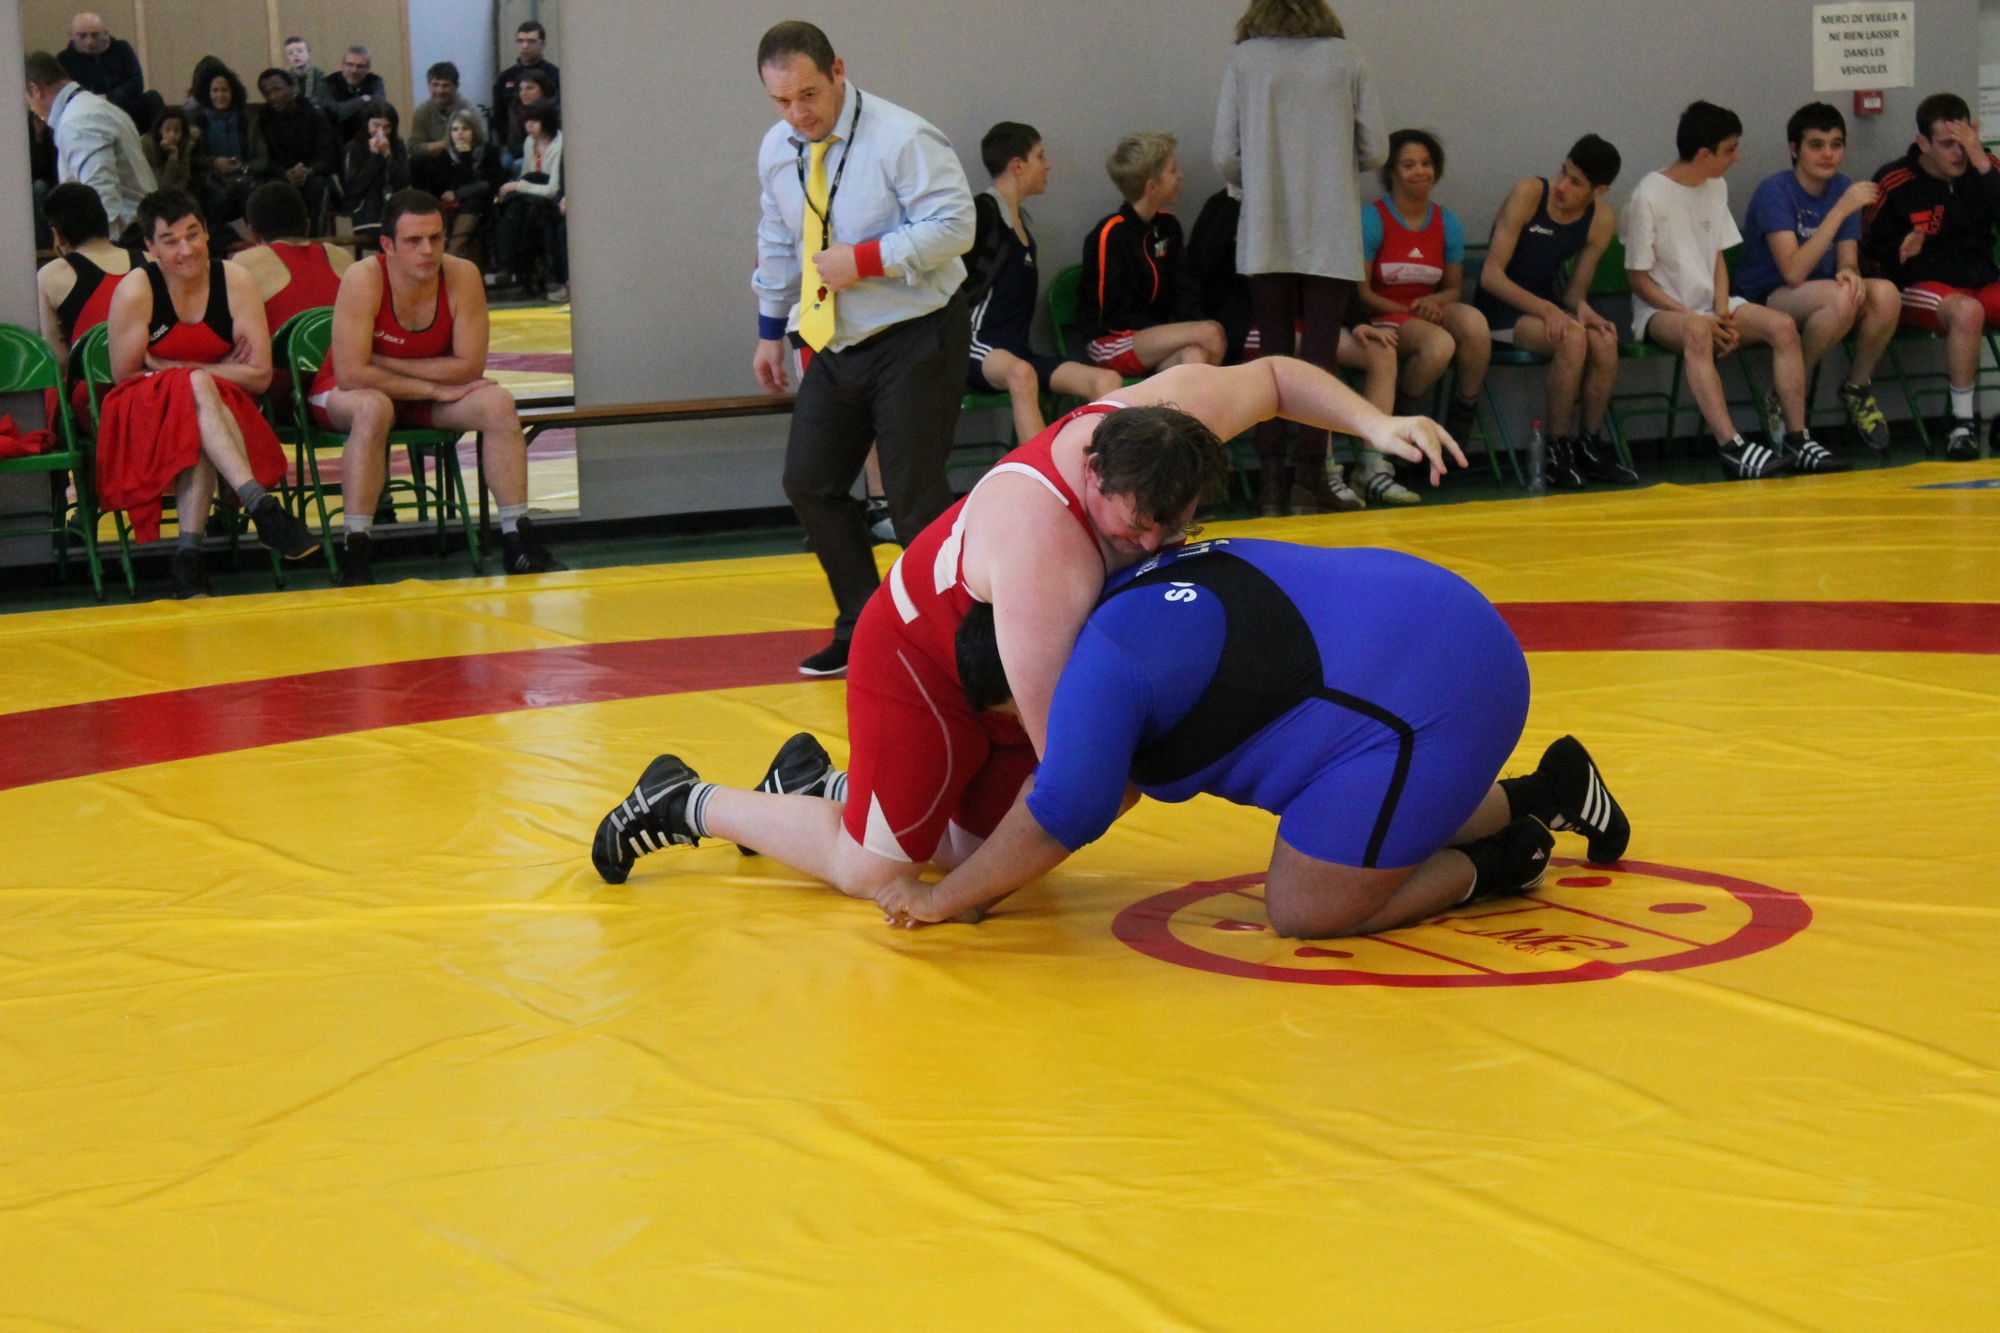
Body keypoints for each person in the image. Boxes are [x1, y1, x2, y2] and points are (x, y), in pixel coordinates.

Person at [590, 356, 1465, 898]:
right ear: (1094, 473)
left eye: (1176, 529)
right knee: (878, 869)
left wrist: (1374, 421)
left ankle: (826, 786)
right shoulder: (1043, 554)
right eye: (1135, 530)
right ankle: (685, 798)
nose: (1153, 548)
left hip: (1007, 673)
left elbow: (1272, 379)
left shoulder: (1168, 424)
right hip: (923, 664)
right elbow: (1078, 781)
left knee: (971, 846)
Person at [873, 540, 1631, 936]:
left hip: (1435, 694)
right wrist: (982, 888)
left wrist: (941, 899)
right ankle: (1547, 790)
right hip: (1433, 635)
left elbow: (1061, 809)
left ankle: (1505, 859)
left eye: (1020, 716)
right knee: (1350, 823)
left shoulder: (1103, 667)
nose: (1034, 733)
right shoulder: (1102, 591)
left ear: (1025, 671)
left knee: (1308, 908)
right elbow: (1094, 790)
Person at [749, 21, 976, 678]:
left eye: (809, 95)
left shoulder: (902, 137)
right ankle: (864, 626)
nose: (798, 114)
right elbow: (777, 236)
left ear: (838, 71)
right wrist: (769, 328)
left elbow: (957, 225)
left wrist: (867, 258)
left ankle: (957, 641)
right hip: (835, 338)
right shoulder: (778, 148)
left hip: (917, 333)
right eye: (782, 100)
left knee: (913, 499)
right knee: (809, 483)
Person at [306, 188, 565, 585]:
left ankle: (518, 539)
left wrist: (384, 363)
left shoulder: (462, 275)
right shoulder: (364, 278)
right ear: (387, 245)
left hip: (416, 392)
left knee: (498, 403)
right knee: (373, 407)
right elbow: (351, 375)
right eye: (414, 240)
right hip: (350, 393)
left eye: (436, 238)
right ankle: (355, 549)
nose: (428, 250)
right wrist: (431, 389)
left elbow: (470, 365)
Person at [94, 189, 316, 598]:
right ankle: (261, 506)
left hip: (217, 408)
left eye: (193, 234)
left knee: (197, 402)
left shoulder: (234, 280)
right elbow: (125, 375)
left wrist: (174, 367)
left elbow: (260, 376)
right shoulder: (137, 289)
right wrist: (206, 373)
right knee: (195, 387)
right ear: (150, 248)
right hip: (144, 408)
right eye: (170, 241)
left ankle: (188, 560)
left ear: (207, 232)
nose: (186, 249)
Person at [1214, 0, 1386, 516]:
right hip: (1330, 226)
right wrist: (1334, 163)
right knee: (1319, 359)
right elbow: (1376, 150)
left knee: (1270, 356)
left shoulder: (1245, 60)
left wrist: (1262, 174)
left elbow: (1224, 155)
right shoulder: (1347, 57)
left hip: (1267, 226)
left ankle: (1270, 481)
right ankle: (1311, 476)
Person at [1624, 100, 1823, 480]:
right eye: (1731, 149)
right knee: (1698, 333)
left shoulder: (1716, 186)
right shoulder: (1647, 196)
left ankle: (1797, 438)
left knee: (1782, 326)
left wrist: (1721, 310)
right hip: (1662, 312)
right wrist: (1694, 317)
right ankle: (1731, 446)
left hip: (1709, 304)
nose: (1738, 156)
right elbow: (1638, 279)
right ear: (1704, 154)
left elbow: (1716, 255)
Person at [1735, 103, 1896, 465]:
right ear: (1795, 149)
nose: (1828, 154)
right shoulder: (1775, 191)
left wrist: (1850, 272)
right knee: (1840, 299)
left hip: (1822, 293)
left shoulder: (1842, 186)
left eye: (1836, 145)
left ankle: (1856, 387)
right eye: (1816, 145)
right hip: (1766, 296)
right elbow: (1793, 272)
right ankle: (1787, 391)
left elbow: (1847, 259)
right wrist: (1839, 210)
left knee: (1885, 294)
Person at [1475, 134, 1636, 486]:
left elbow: (1574, 294)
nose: (1562, 185)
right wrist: (1550, 311)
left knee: (1604, 341)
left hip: (1546, 307)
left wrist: (1585, 310)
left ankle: (1590, 445)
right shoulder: (1528, 193)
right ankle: (1555, 448)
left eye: (1576, 182)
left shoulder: (1600, 220)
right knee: (1572, 339)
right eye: (1563, 172)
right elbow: (1491, 276)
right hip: (1499, 307)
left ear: (1600, 190)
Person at [1350, 129, 1491, 504]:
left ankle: (1462, 416)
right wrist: (1409, 310)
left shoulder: (1447, 222)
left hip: (1428, 310)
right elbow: (1362, 293)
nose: (1420, 172)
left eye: (1426, 164)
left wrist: (1436, 300)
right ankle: (1402, 419)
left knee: (1474, 325)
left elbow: (1453, 288)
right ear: (1391, 173)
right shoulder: (1372, 220)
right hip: (1384, 314)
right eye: (1409, 165)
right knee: (1439, 345)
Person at [962, 122, 1122, 444]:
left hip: (1018, 354)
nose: (1048, 165)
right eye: (1040, 156)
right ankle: (1037, 474)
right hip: (976, 348)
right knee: (1021, 374)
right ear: (1017, 166)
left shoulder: (1021, 225)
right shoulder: (982, 213)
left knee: (1107, 381)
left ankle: (1102, 467)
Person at [1862, 93, 2000, 460]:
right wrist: (1900, 250)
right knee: (1967, 311)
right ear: (1923, 143)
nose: (1958, 153)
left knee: (1973, 305)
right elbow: (1865, 251)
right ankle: (1963, 424)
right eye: (1947, 144)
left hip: (1981, 278)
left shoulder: (1985, 169)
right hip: (1919, 285)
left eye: (1964, 142)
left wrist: (1982, 163)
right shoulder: (1895, 181)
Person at [1079, 133, 1227, 386]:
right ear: (1152, 187)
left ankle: (1184, 412)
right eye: (1173, 170)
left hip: (1154, 338)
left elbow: (1185, 291)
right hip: (1110, 341)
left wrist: (1182, 331)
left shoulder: (1168, 225)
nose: (1180, 175)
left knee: (1194, 356)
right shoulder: (1111, 233)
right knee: (1210, 332)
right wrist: (1173, 331)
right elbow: (1112, 315)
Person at [25, 50, 156, 239]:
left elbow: (101, 199)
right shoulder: (96, 108)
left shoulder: (78, 120)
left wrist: (99, 254)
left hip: (124, 240)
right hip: (138, 232)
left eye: (28, 99)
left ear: (35, 89)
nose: (31, 108)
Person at [35, 182, 136, 396]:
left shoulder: (51, 274)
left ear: (57, 234)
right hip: (149, 387)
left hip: (93, 395)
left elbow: (60, 362)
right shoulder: (150, 261)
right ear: (103, 219)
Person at [235, 181, 354, 332]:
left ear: (254, 233)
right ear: (307, 225)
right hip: (346, 346)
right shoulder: (342, 256)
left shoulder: (244, 262)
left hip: (279, 347)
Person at [492, 103, 565, 300]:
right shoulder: (529, 143)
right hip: (531, 197)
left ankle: (514, 266)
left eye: (534, 121)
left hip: (551, 199)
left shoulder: (560, 146)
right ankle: (516, 267)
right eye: (527, 121)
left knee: (524, 214)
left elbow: (553, 189)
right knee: (513, 209)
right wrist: (518, 187)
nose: (528, 126)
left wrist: (519, 186)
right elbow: (525, 175)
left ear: (546, 122)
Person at [248, 66, 337, 226]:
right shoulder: (263, 119)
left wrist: (307, 171)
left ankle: (312, 235)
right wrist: (285, 173)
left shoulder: (315, 114)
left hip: (311, 174)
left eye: (277, 89)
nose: (273, 97)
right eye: (267, 93)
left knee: (317, 186)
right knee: (267, 190)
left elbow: (326, 155)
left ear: (292, 87)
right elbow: (264, 158)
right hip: (279, 175)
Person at [412, 110, 501, 262]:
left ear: (474, 131)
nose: (460, 133)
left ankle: (452, 253)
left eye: (465, 128)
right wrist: (459, 192)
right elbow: (449, 187)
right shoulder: (444, 155)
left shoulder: (488, 151)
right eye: (455, 129)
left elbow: (491, 185)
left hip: (484, 204)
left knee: (474, 201)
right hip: (454, 205)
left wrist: (465, 157)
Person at [59, 12, 159, 131]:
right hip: (89, 113)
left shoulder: (122, 48)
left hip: (123, 106)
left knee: (152, 99)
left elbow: (136, 82)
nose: (89, 41)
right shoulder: (64, 59)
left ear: (105, 33)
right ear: (71, 35)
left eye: (95, 35)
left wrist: (109, 97)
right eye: (82, 36)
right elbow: (65, 93)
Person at [185, 58, 252, 227]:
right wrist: (214, 162)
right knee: (219, 201)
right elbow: (189, 160)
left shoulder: (246, 120)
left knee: (255, 197)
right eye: (215, 90)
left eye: (225, 90)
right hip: (210, 183)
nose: (220, 95)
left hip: (245, 179)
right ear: (207, 93)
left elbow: (262, 158)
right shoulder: (196, 121)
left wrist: (243, 166)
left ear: (233, 92)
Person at [340, 101, 409, 243]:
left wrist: (388, 155)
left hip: (392, 203)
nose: (380, 132)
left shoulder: (398, 146)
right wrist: (374, 157)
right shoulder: (354, 147)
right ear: (367, 124)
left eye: (386, 127)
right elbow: (354, 187)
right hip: (365, 208)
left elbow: (403, 181)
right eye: (376, 126)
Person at [492, 20, 559, 143]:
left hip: (547, 142)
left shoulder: (554, 75)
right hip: (513, 146)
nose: (525, 46)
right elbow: (498, 115)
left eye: (531, 41)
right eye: (520, 41)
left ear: (543, 44)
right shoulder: (505, 77)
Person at [314, 45, 386, 136]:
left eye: (360, 66)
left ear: (368, 68)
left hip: (365, 137)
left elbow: (380, 108)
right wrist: (363, 99)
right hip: (335, 138)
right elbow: (334, 113)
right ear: (342, 66)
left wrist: (346, 108)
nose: (354, 70)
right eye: (350, 64)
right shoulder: (328, 83)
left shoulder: (375, 81)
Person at [409, 62, 473, 162]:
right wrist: (447, 143)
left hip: (462, 160)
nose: (440, 91)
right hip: (433, 164)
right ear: (428, 85)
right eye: (435, 85)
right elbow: (414, 148)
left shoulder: (468, 109)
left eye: (445, 85)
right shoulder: (422, 111)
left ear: (456, 86)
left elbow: (478, 142)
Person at [498, 69, 553, 175]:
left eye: (530, 88)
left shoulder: (552, 110)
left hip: (543, 153)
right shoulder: (515, 109)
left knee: (518, 165)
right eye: (521, 89)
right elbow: (512, 141)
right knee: (501, 163)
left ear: (543, 89)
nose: (523, 93)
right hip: (518, 151)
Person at [141, 105, 196, 192]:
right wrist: (172, 157)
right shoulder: (148, 148)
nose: (172, 135)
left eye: (176, 131)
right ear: (160, 130)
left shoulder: (184, 148)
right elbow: (162, 188)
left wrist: (173, 156)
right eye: (168, 130)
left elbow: (182, 182)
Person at [282, 37, 326, 106]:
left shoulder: (318, 74)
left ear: (309, 53)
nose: (295, 55)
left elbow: (320, 98)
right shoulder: (285, 77)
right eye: (290, 53)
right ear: (287, 57)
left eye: (300, 51)